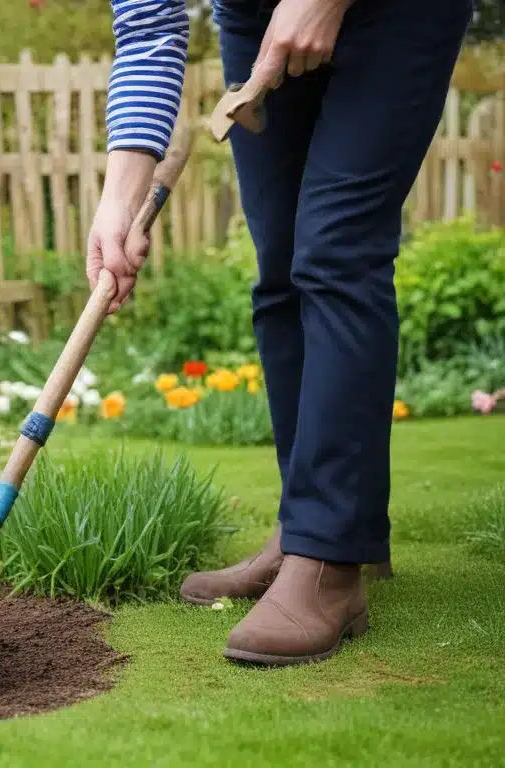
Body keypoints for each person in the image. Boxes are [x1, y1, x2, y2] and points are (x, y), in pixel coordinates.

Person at [89, 0, 473, 666]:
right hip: (253, 14)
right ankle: (312, 525)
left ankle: (328, 559)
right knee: (282, 269)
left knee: (336, 255)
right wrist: (120, 198)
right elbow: (150, 29)